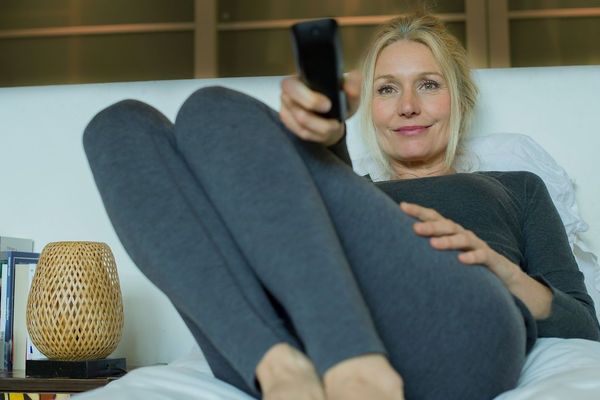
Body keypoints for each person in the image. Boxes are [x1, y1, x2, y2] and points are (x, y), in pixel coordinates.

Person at [82, 12, 599, 400]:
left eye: (428, 85)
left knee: (213, 109)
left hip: (458, 334)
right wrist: (323, 140)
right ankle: (280, 368)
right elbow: (335, 197)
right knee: (117, 127)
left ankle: (355, 366)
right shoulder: (340, 191)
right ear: (367, 109)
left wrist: (502, 270)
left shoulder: (515, 185)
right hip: (301, 340)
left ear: (460, 100)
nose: (408, 106)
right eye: (386, 89)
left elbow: (583, 325)